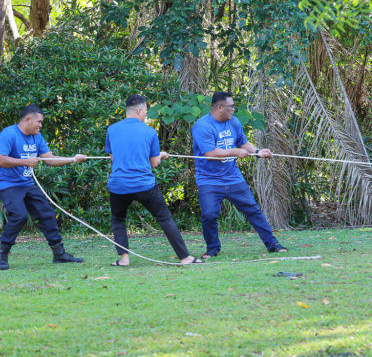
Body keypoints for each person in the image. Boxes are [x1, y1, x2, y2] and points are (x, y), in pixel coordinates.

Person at [105, 95, 203, 267]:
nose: (146, 115)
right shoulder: (149, 132)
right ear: (139, 111)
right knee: (165, 219)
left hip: (119, 185)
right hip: (144, 185)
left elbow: (113, 157)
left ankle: (124, 259)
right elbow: (154, 163)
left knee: (118, 220)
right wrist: (158, 156)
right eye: (145, 112)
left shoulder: (112, 130)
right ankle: (185, 258)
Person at [192, 91, 287, 258]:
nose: (233, 110)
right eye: (231, 107)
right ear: (219, 107)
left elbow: (243, 143)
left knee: (253, 210)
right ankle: (213, 249)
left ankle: (273, 244)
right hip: (209, 180)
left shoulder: (233, 122)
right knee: (209, 215)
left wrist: (258, 152)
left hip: (233, 178)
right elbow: (211, 153)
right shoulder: (202, 126)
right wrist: (236, 152)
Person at [0, 105, 87, 270]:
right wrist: (26, 161)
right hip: (7, 184)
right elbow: (1, 159)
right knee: (19, 216)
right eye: (38, 122)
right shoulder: (9, 134)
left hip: (27, 184)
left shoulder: (36, 137)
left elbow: (49, 159)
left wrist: (72, 159)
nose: (40, 125)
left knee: (47, 213)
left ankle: (59, 254)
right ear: (27, 119)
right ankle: (2, 255)